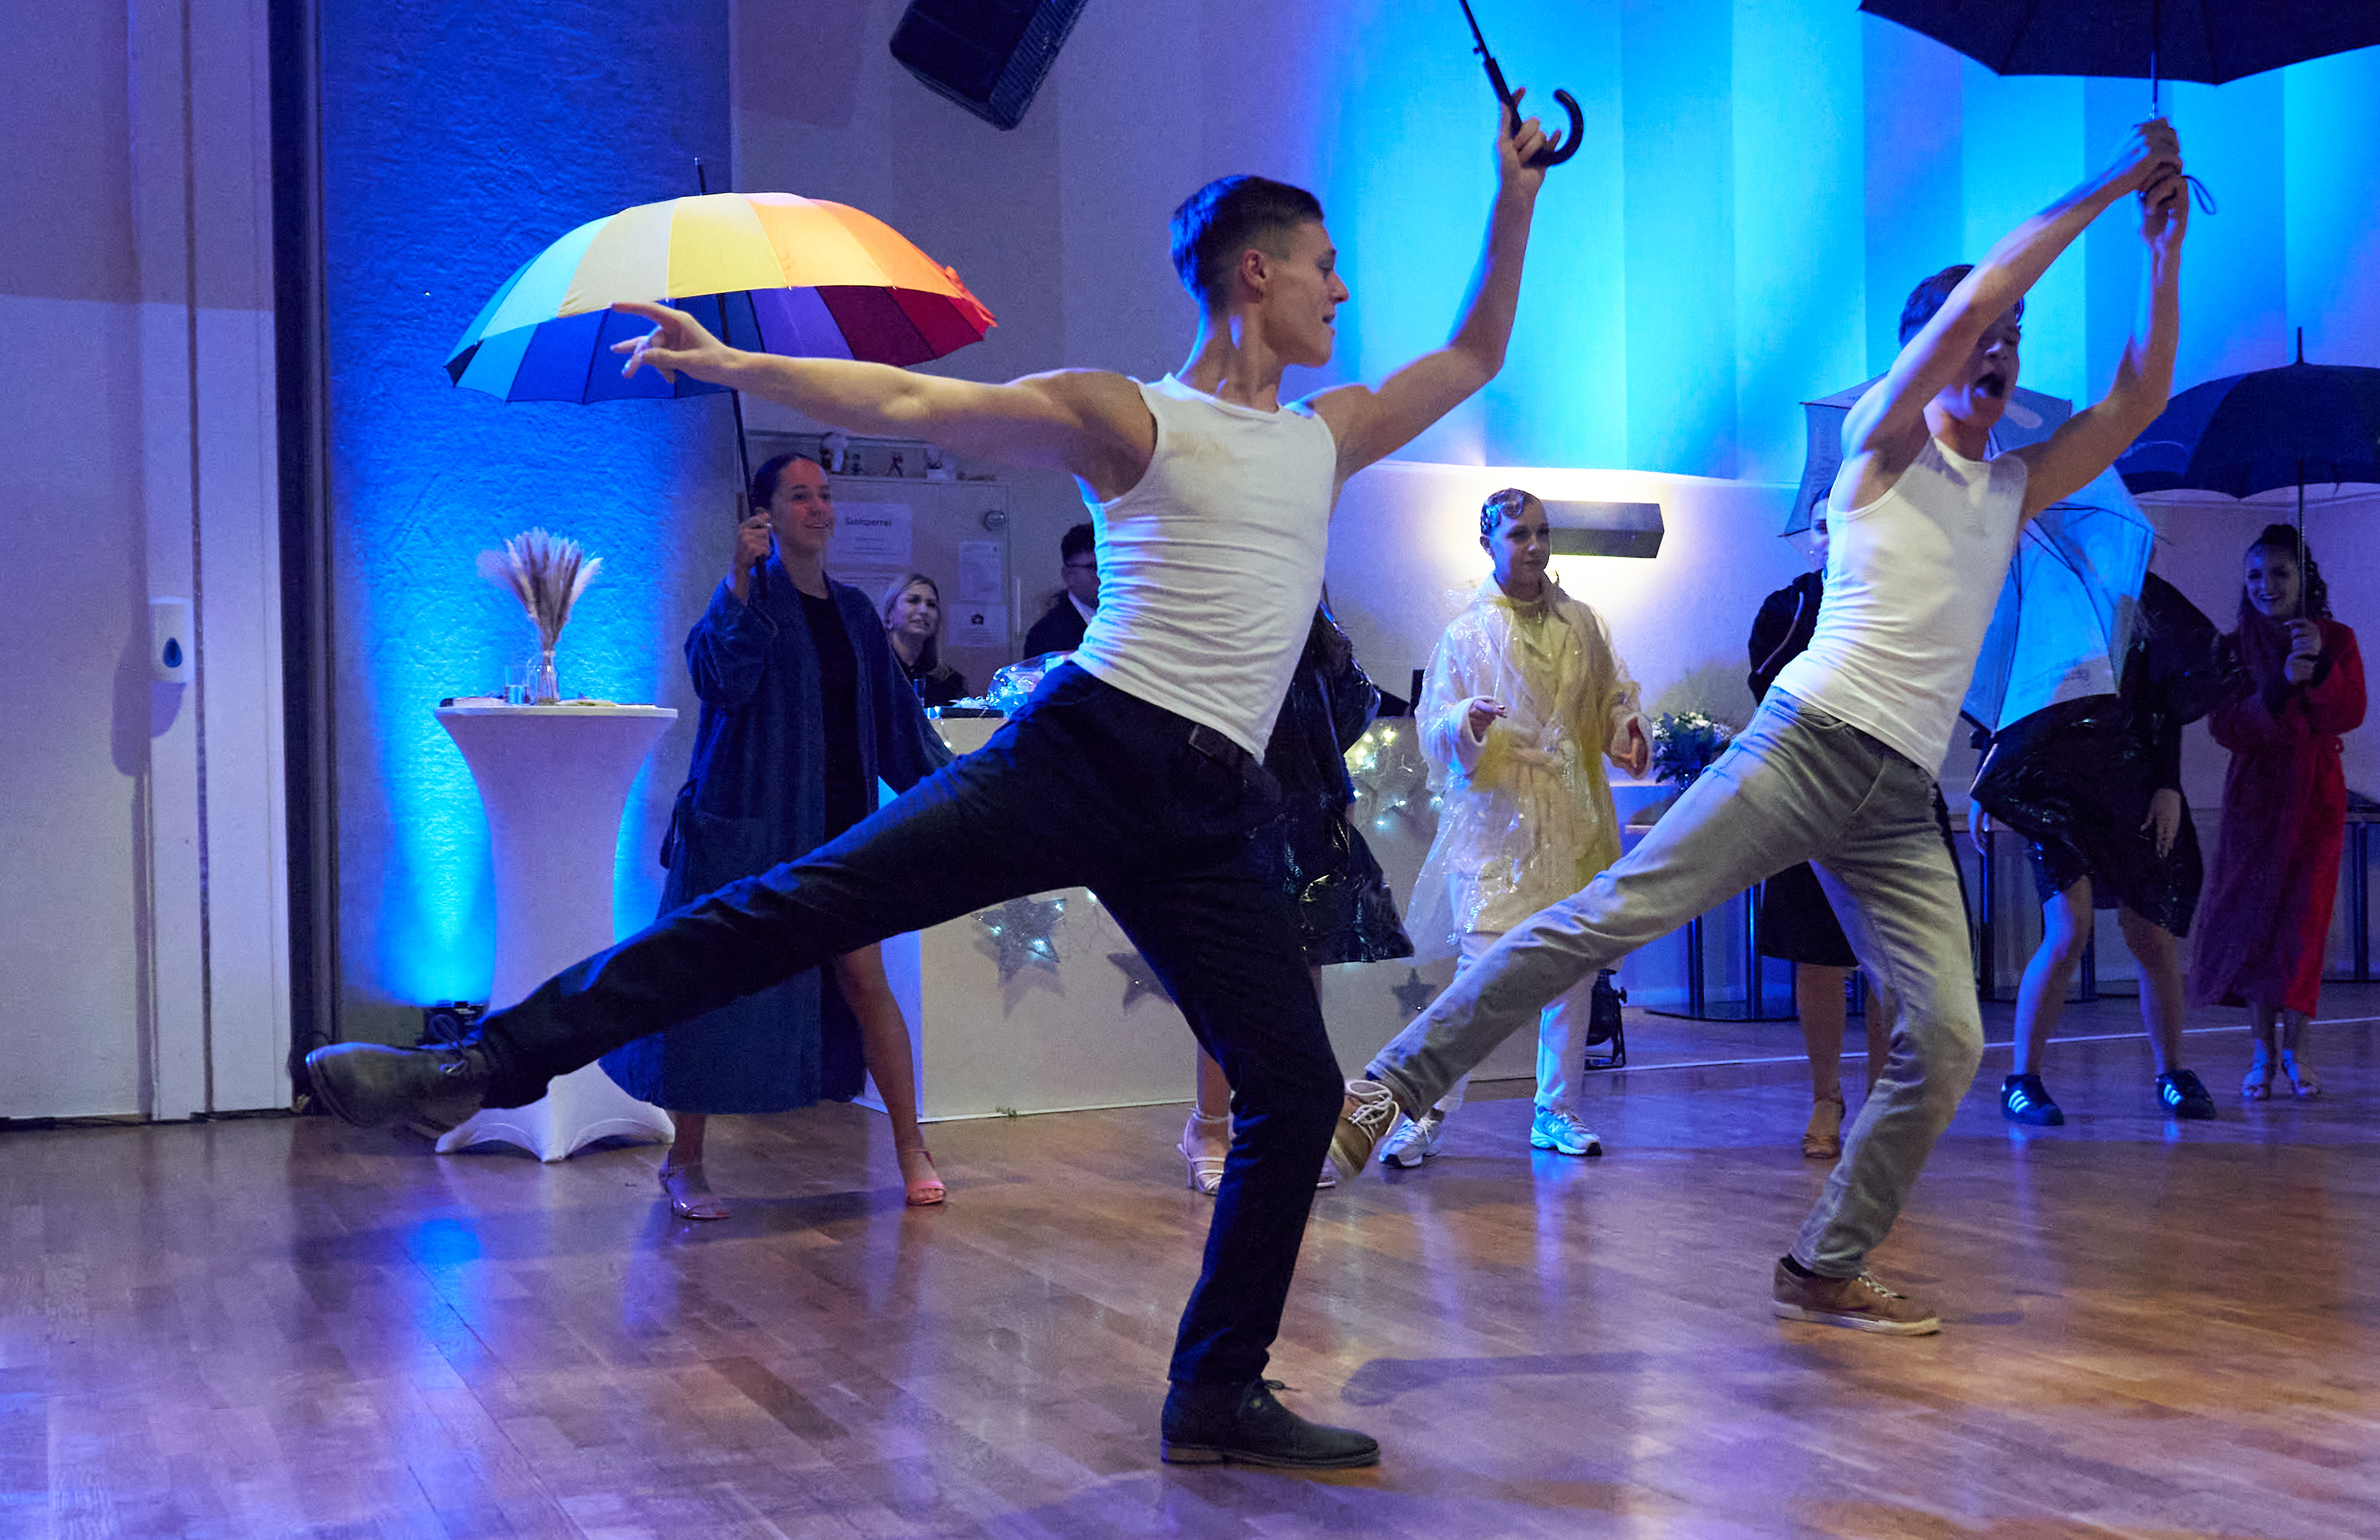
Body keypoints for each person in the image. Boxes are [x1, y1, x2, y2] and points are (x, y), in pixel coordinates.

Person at [304, 101, 1562, 1471]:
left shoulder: (1326, 433)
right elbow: (915, 404)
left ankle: (1215, 1392)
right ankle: (481, 1063)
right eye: (1324, 263)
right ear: (1254, 272)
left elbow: (1475, 353)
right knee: (793, 906)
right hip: (1090, 751)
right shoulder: (1132, 416)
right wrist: (734, 360)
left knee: (1294, 1091)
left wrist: (1514, 197)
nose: (1341, 290)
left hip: (1212, 811)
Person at [1335, 122, 2191, 1340]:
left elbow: (2136, 397)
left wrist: (2159, 252)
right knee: (1606, 918)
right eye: (1982, 337)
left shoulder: (2010, 486)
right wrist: (2108, 180)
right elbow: (1980, 294)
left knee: (1949, 1036)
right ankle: (1385, 1090)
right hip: (1805, 743)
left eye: (2014, 341)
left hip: (1897, 792)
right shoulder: (1878, 446)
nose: (2001, 350)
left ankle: (1824, 1263)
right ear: (1924, 358)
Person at [605, 454, 950, 1216]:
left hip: (840, 835)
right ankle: (685, 1161)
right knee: (709, 984)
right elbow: (718, 680)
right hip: (749, 832)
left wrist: (966, 790)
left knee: (865, 980)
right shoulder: (745, 597)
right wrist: (740, 577)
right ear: (763, 513)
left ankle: (911, 1147)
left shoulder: (855, 612)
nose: (819, 507)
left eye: (825, 494)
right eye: (800, 496)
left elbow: (899, 727)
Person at [1378, 489, 1647, 1169]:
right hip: (1495, 822)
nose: (1534, 545)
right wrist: (1463, 722)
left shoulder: (1583, 623)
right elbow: (1434, 726)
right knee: (1481, 977)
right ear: (1489, 544)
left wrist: (1626, 728)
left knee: (1571, 972)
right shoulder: (1465, 635)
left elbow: (1612, 696)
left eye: (1542, 532)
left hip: (1572, 816)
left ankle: (1557, 1108)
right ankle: (1428, 1111)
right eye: (1519, 534)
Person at [1177, 601, 1412, 1195]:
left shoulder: (1310, 623)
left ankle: (1290, 1133)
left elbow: (1351, 703)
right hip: (1228, 810)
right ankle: (1209, 1127)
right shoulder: (1216, 611)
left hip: (1305, 813)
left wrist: (1329, 786)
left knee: (1300, 983)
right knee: (1228, 979)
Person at [1990, 568, 2229, 1128]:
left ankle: (2173, 1072)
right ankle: (2022, 1079)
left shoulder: (2142, 606)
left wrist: (2168, 785)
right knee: (2067, 930)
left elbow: (2166, 702)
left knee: (2151, 935)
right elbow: (2009, 698)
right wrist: (1991, 775)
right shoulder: (2042, 607)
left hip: (2131, 786)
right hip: (2056, 790)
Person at [2187, 524, 2366, 1100]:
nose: (2266, 585)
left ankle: (2299, 1050)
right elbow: (2224, 726)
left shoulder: (2334, 638)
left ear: (2303, 578)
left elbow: (2348, 712)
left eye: (2280, 573)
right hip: (2255, 799)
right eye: (2255, 575)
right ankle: (2261, 1051)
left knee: (2301, 924)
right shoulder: (2231, 648)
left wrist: (2319, 667)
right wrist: (2278, 688)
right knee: (2252, 921)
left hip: (2314, 799)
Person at [1745, 516, 1890, 1160]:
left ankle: (1884, 1102)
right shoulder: (1790, 605)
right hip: (1810, 789)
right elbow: (1768, 689)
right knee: (1818, 953)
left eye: (1847, 524)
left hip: (1883, 791)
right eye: (1824, 525)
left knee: (1890, 959)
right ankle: (1825, 1096)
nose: (1834, 536)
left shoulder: (1894, 605)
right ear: (1810, 539)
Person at [884, 571, 970, 708]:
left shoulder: (950, 682)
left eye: (931, 605)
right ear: (889, 615)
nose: (924, 610)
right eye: (913, 601)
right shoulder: (869, 673)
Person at [1023, 523, 1100, 659]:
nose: (1103, 575)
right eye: (1094, 567)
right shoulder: (1046, 634)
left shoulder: (1125, 619)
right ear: (1068, 575)